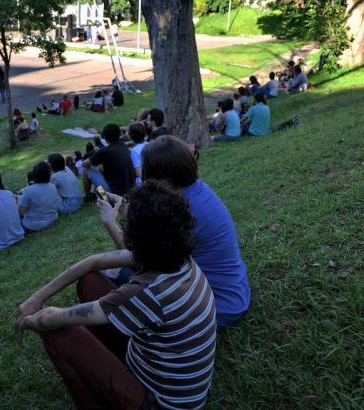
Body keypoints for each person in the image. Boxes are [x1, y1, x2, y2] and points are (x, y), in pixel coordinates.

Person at [15, 181, 216, 410]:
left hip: (160, 404)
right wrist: (37, 297)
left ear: (137, 238)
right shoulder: (176, 257)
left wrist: (28, 320)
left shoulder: (147, 292)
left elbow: (52, 318)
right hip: (153, 366)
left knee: (57, 333)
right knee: (90, 281)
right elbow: (96, 261)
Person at [102, 135, 250, 328]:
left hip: (215, 307)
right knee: (115, 267)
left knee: (114, 273)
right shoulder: (194, 191)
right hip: (233, 292)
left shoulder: (181, 209)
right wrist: (126, 208)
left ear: (157, 175)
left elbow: (144, 265)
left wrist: (110, 223)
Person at [82, 124, 136, 200]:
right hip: (130, 188)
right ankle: (101, 195)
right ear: (119, 134)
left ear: (105, 138)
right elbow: (126, 144)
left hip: (115, 192)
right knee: (100, 168)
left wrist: (95, 156)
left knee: (86, 170)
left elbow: (84, 164)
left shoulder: (105, 151)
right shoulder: (123, 146)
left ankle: (98, 197)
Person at [19, 162, 61, 232]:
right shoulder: (53, 186)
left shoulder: (28, 190)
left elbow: (21, 212)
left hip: (34, 225)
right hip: (53, 218)